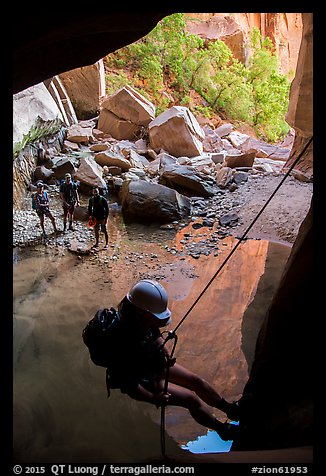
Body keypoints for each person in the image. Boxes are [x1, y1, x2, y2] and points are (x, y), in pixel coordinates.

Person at [104, 279, 241, 442]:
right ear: (142, 313)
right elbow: (129, 384)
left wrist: (163, 349)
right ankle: (223, 430)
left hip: (151, 363)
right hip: (142, 377)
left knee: (196, 381)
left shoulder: (139, 316)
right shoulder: (118, 341)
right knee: (190, 399)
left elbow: (153, 332)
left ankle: (230, 409)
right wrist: (153, 398)